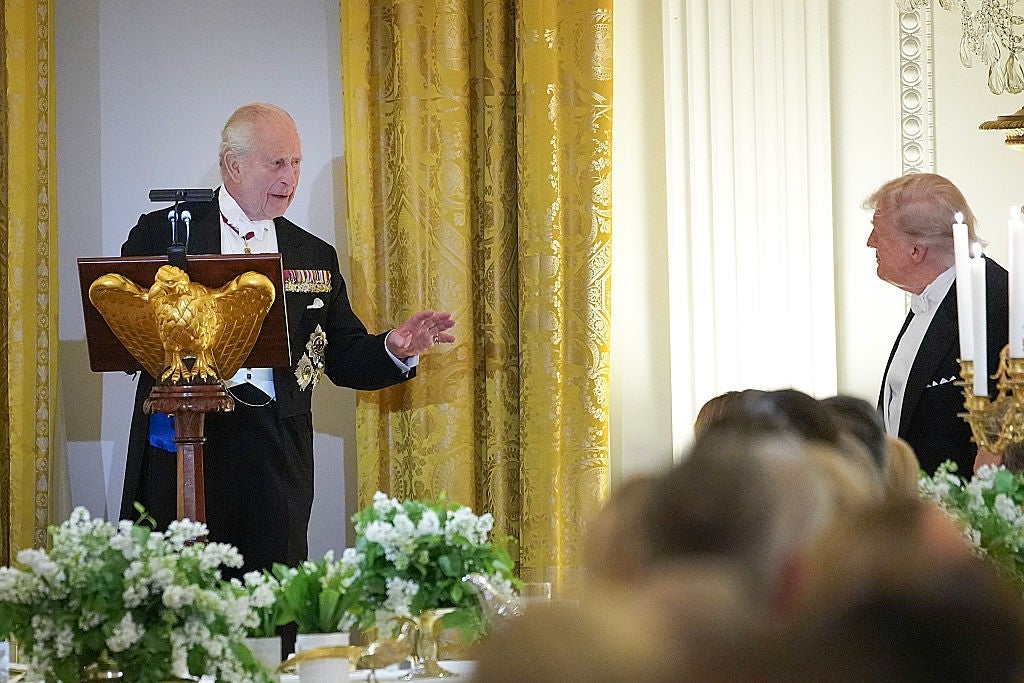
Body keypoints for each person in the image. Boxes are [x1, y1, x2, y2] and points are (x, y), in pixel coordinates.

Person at [118, 103, 456, 576]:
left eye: (296, 162)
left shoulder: (313, 254)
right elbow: (127, 332)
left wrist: (396, 347)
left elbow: (342, 353)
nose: (290, 176)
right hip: (185, 438)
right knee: (177, 596)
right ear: (233, 165)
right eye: (276, 163)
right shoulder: (166, 232)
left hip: (275, 447)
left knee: (273, 600)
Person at [865, 173, 1008, 478]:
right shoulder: (932, 297)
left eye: (879, 232)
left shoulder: (998, 302)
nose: (870, 242)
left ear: (916, 250)